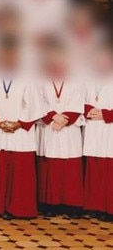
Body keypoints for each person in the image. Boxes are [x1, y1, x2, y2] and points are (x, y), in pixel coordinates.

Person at [0, 37, 41, 219]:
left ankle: (21, 209)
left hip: (20, 131)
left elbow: (34, 103)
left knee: (20, 172)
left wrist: (19, 123)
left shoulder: (28, 76)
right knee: (2, 170)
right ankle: (0, 207)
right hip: (1, 129)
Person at [37, 38, 84, 218]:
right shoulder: (41, 78)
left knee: (70, 167)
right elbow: (38, 100)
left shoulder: (76, 78)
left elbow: (79, 99)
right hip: (49, 128)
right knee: (50, 167)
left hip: (68, 129)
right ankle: (50, 203)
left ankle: (71, 204)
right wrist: (52, 117)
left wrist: (64, 120)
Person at [83, 39, 113, 221]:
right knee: (95, 167)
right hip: (93, 127)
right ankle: (96, 206)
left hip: (110, 128)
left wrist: (106, 114)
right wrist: (90, 111)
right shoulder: (88, 78)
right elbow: (80, 98)